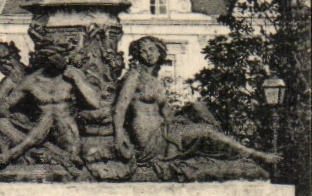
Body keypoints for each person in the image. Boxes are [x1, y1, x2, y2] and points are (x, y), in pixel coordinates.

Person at [114, 36, 280, 165]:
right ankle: (253, 154)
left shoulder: (157, 82)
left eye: (151, 49)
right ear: (138, 55)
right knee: (206, 131)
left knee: (199, 109)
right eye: (143, 51)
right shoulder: (134, 76)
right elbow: (120, 108)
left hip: (165, 130)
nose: (149, 54)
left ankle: (232, 148)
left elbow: (168, 116)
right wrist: (119, 136)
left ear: (159, 51)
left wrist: (189, 113)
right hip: (150, 139)